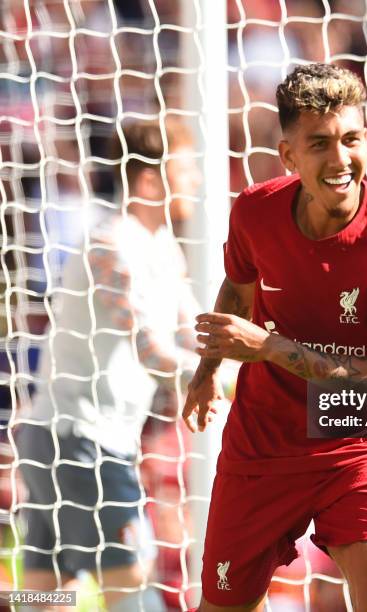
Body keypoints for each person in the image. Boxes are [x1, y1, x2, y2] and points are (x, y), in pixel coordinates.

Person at [183, 63, 367, 612]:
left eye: (352, 139)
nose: (340, 159)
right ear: (289, 156)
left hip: (357, 444)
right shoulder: (255, 212)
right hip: (265, 442)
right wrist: (207, 374)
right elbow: (237, 291)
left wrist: (269, 348)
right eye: (319, 143)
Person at [16, 117, 202, 612]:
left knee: (44, 595)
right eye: (185, 170)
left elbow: (192, 335)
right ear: (148, 179)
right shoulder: (111, 244)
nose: (196, 182)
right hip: (79, 441)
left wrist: (252, 355)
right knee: (134, 584)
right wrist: (220, 379)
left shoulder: (164, 249)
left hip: (70, 439)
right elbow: (151, 349)